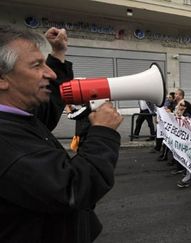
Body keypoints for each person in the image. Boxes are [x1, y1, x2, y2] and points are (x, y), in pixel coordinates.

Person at [0, 26, 123, 243]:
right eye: (37, 65)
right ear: (2, 79)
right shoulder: (6, 139)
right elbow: (73, 188)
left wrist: (57, 53)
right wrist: (103, 133)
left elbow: (49, 105)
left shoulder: (18, 116)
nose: (51, 73)